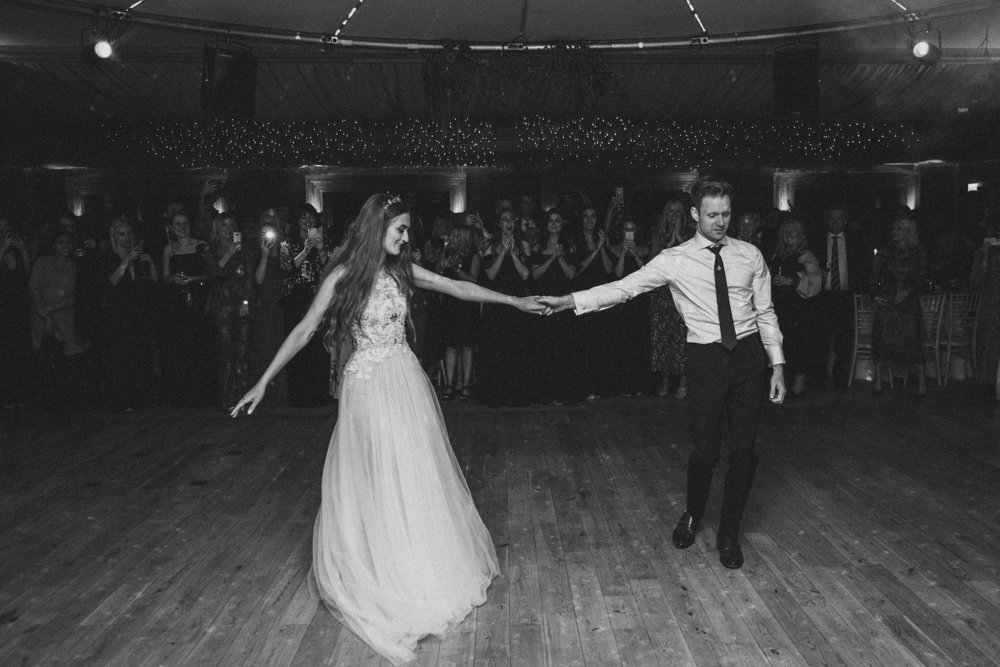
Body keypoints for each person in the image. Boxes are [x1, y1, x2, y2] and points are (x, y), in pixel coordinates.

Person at [230, 193, 545, 664]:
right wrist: (262, 381)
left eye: (407, 229)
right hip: (367, 387)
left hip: (404, 379)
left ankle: (417, 561)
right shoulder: (342, 276)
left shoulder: (402, 269)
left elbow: (454, 286)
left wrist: (513, 300)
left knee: (414, 469)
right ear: (375, 228)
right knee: (375, 475)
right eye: (399, 229)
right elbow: (303, 329)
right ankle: (381, 567)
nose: (405, 236)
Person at [539, 178, 785, 569]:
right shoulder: (674, 259)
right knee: (705, 451)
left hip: (750, 359)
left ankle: (728, 533)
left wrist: (778, 365)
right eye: (711, 215)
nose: (720, 222)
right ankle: (692, 513)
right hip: (706, 359)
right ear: (694, 214)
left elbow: (766, 312)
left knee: (743, 452)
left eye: (725, 214)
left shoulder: (750, 255)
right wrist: (570, 301)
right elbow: (624, 288)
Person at [871, 215, 928, 396]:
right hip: (888, 301)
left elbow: (923, 278)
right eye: (894, 228)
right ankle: (878, 381)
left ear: (909, 232)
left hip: (909, 303)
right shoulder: (884, 252)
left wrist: (909, 290)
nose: (895, 232)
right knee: (882, 340)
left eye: (899, 229)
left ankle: (921, 383)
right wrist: (875, 295)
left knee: (914, 340)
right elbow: (873, 277)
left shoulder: (917, 253)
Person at [769, 219, 822, 398]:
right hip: (780, 307)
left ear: (801, 236)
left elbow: (815, 284)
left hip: (799, 308)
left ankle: (799, 385)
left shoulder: (806, 256)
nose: (789, 235)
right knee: (783, 345)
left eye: (793, 232)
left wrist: (791, 281)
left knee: (800, 345)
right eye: (786, 232)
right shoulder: (777, 255)